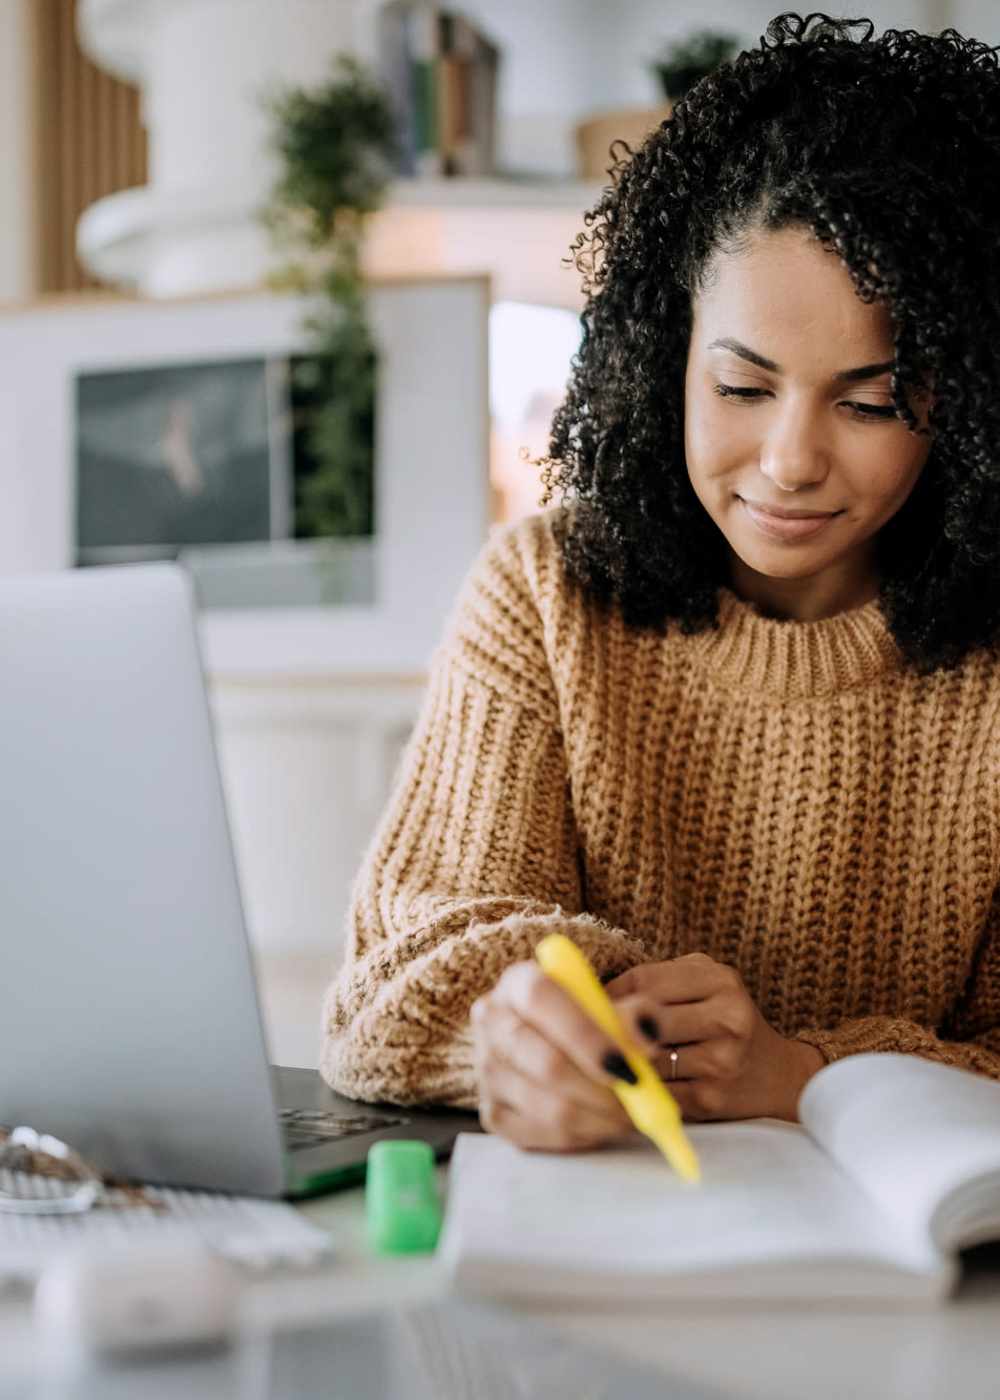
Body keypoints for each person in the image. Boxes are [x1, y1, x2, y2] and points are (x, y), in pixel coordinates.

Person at [320, 12, 1000, 1152]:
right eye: (742, 385)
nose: (790, 459)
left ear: (967, 402)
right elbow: (388, 981)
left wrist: (799, 1070)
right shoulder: (545, 593)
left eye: (870, 399)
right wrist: (521, 1026)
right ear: (662, 355)